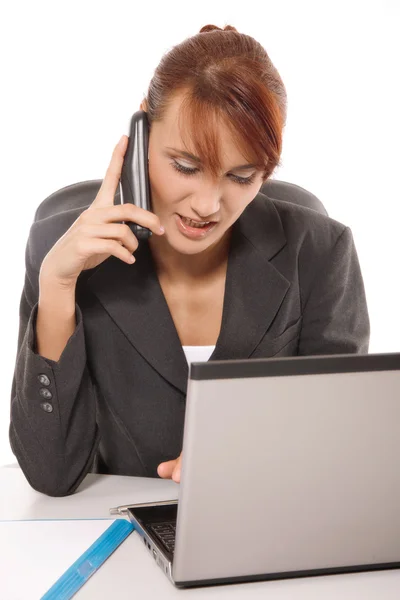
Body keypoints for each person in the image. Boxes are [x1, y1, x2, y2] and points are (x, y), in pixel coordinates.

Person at [9, 24, 369, 497]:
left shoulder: (320, 251)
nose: (207, 205)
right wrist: (57, 286)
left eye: (241, 177)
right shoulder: (59, 249)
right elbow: (51, 475)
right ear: (141, 131)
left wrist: (249, 455)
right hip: (114, 532)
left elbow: (339, 449)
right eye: (186, 166)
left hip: (263, 524)